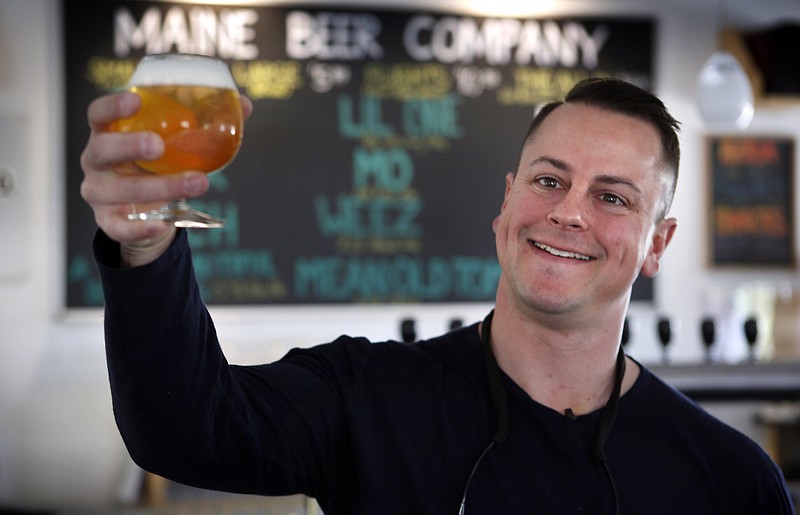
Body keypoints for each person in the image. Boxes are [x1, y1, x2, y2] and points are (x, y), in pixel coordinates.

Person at [81, 78, 796, 514]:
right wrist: (146, 249)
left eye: (611, 196)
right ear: (507, 203)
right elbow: (182, 429)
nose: (569, 211)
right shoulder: (367, 398)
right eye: (549, 179)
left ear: (657, 245)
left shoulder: (732, 481)